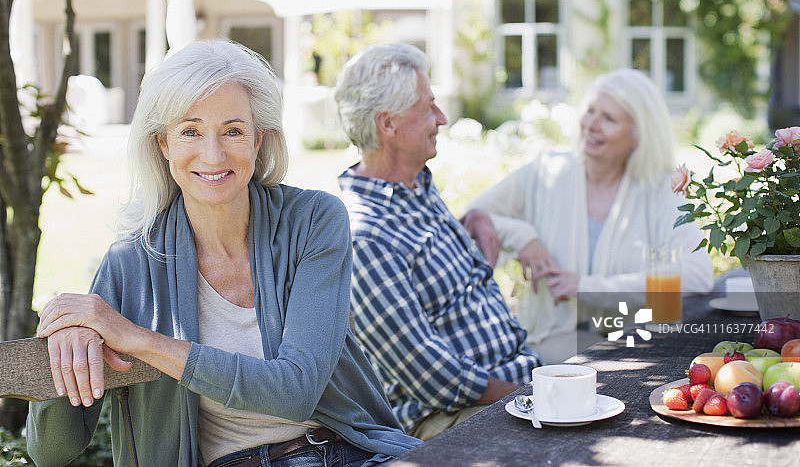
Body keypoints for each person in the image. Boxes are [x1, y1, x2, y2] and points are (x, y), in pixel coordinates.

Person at [27, 40, 421, 467]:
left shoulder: (313, 221)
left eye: (233, 131)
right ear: (163, 144)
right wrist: (63, 339)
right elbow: (53, 453)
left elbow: (297, 390)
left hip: (352, 453)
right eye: (190, 131)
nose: (212, 155)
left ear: (258, 141)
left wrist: (138, 339)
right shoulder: (130, 265)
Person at [334, 43, 541, 441]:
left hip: (513, 387)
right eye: (428, 107)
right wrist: (534, 395)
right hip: (453, 419)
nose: (442, 118)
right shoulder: (366, 235)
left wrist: (473, 219)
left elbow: (439, 276)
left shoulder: (415, 186)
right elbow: (432, 375)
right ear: (387, 125)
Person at [463, 68, 714, 364]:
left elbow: (697, 276)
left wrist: (587, 287)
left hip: (635, 343)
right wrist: (523, 237)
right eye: (590, 111)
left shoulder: (662, 188)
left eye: (608, 118)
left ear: (637, 136)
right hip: (551, 341)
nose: (591, 125)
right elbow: (470, 220)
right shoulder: (547, 172)